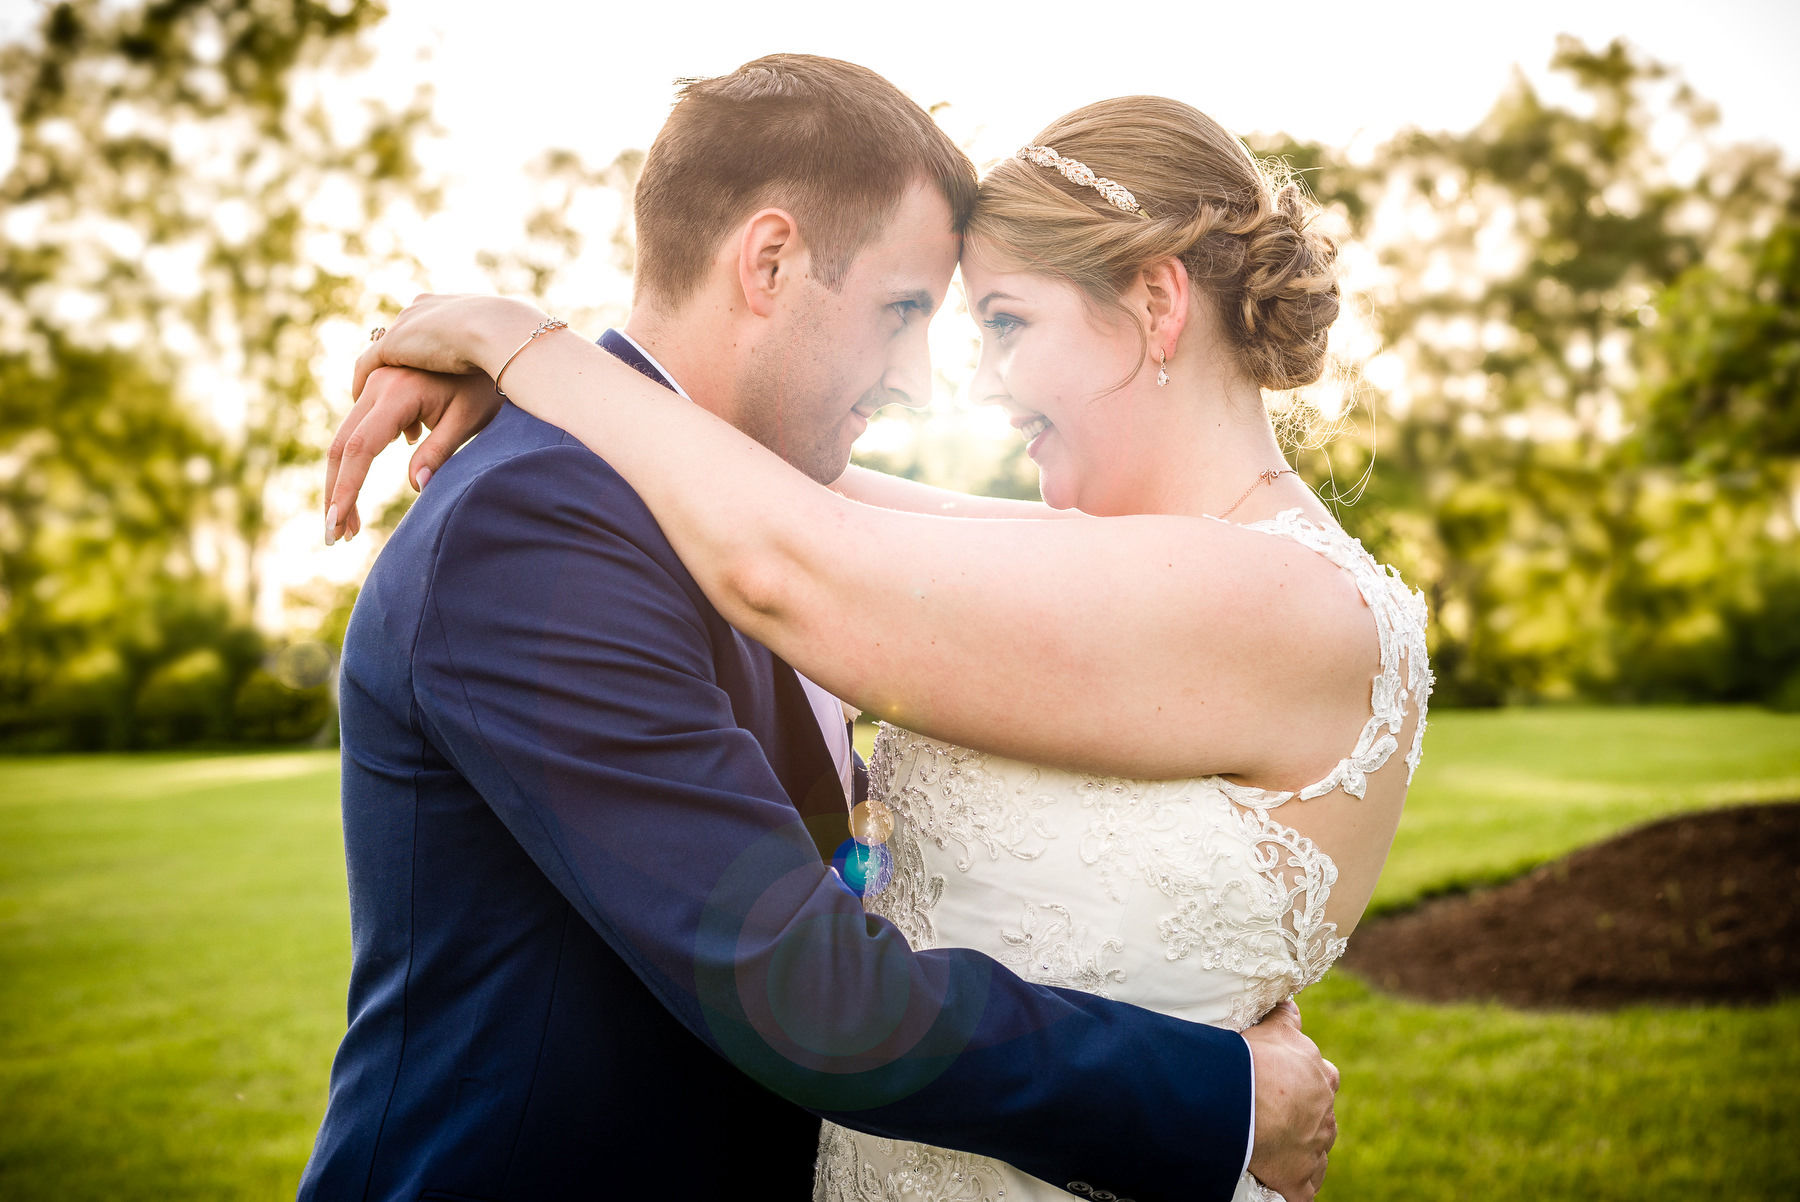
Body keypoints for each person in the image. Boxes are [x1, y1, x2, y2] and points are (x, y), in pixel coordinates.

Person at [303, 57, 1340, 1202]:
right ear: (771, 261)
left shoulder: (763, 517)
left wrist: (523, 353)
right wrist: (1220, 1100)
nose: (917, 382)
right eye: (905, 313)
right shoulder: (538, 522)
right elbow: (803, 990)